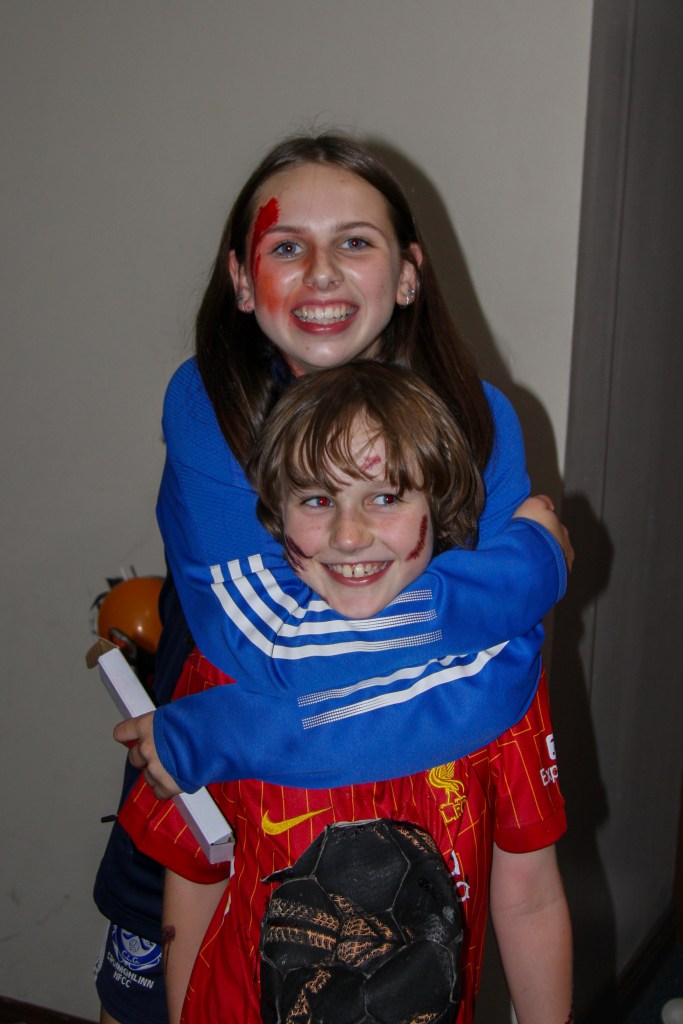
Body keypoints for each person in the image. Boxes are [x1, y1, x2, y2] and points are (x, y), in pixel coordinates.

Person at [95, 131, 571, 1024]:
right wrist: (530, 569)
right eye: (287, 246)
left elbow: (510, 683)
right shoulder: (208, 405)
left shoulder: (479, 418)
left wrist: (231, 730)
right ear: (241, 281)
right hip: (219, 803)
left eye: (354, 241)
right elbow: (283, 644)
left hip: (335, 796)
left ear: (408, 274)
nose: (320, 273)